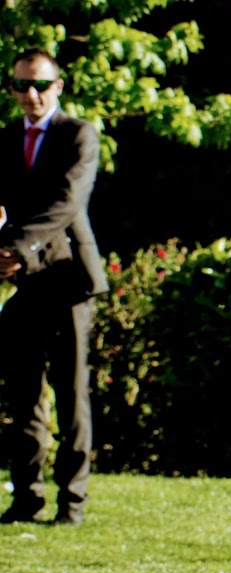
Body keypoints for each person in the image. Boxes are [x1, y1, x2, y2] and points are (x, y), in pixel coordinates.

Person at [0, 48, 109, 526]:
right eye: (22, 85)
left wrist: (13, 249)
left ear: (58, 87)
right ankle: (26, 497)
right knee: (22, 395)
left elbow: (67, 202)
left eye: (40, 85)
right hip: (23, 281)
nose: (31, 94)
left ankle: (73, 502)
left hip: (67, 280)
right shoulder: (5, 140)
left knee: (71, 392)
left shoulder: (78, 135)